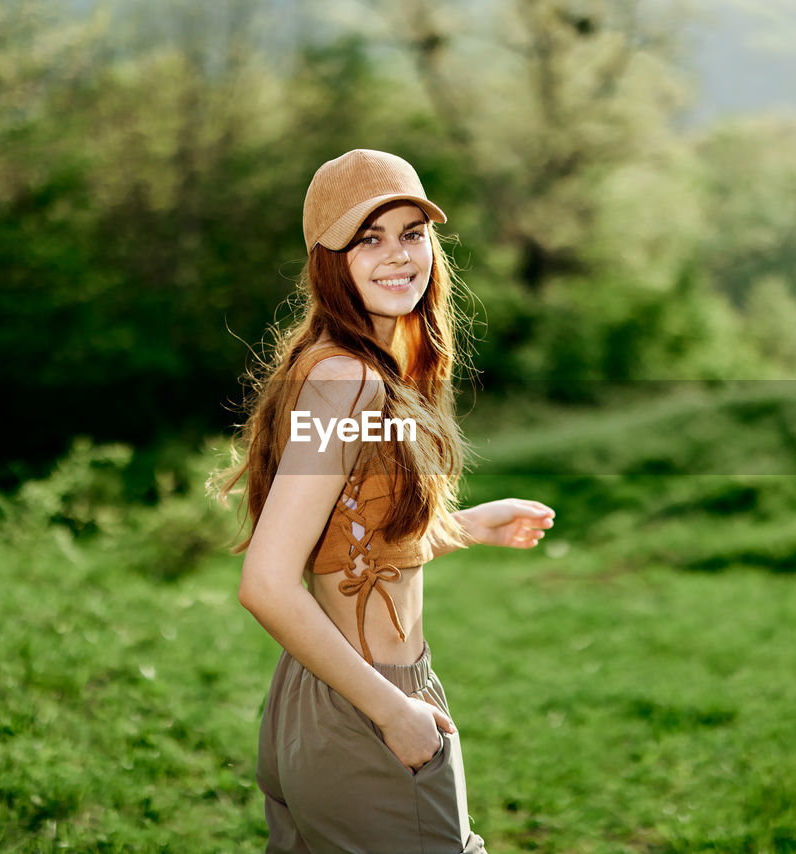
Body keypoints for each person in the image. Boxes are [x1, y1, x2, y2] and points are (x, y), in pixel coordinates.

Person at [211, 149, 556, 853]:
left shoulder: (342, 369)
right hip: (367, 705)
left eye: (411, 232)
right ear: (327, 259)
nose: (398, 256)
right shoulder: (348, 383)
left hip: (311, 701)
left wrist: (461, 526)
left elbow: (347, 534)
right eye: (368, 237)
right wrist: (394, 711)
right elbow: (268, 584)